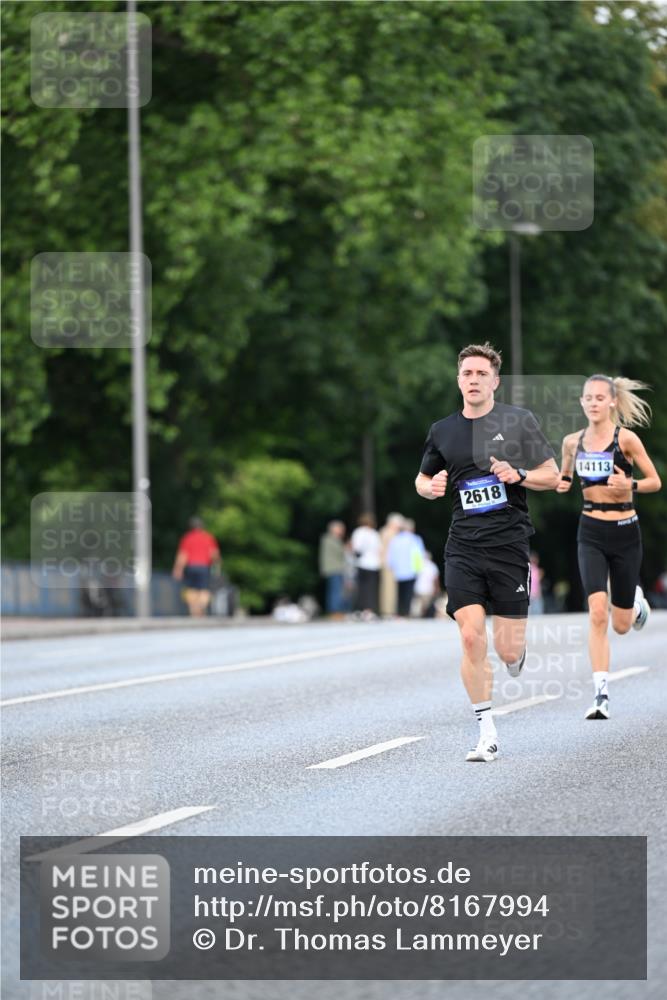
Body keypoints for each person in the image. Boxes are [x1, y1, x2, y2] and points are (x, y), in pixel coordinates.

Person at [415, 342, 559, 762]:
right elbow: (421, 481)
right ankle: (486, 731)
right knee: (470, 635)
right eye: (467, 374)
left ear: (495, 381)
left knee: (509, 650)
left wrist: (520, 474)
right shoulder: (443, 430)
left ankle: (516, 655)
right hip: (462, 545)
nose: (473, 380)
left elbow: (552, 476)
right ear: (458, 380)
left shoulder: (519, 422)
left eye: (481, 374)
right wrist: (431, 488)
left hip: (509, 545)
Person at [557, 375, 661, 720]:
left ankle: (633, 601)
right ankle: (601, 694)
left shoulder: (626, 439)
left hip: (625, 531)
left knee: (620, 625)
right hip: (590, 530)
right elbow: (566, 478)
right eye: (588, 398)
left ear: (613, 402)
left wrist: (628, 482)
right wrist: (558, 482)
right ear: (582, 402)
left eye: (600, 397)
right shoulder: (572, 442)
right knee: (597, 613)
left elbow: (654, 481)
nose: (593, 403)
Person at [172, 516, 221, 617]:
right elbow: (214, 554)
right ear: (202, 526)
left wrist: (178, 569)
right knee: (204, 589)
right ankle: (202, 605)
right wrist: (217, 565)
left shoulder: (187, 538)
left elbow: (183, 555)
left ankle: (194, 610)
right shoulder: (208, 537)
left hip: (191, 567)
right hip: (204, 567)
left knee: (191, 589)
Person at [387, 518, 425, 617]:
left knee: (400, 593)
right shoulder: (415, 539)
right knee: (408, 593)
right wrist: (418, 569)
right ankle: (406, 612)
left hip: (399, 570)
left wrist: (391, 565)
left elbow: (391, 554)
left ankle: (399, 612)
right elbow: (418, 555)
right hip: (411, 570)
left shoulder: (396, 539)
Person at [350, 513, 382, 617]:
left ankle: (359, 609)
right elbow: (379, 549)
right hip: (373, 564)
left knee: (361, 588)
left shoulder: (358, 532)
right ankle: (369, 610)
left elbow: (356, 548)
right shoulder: (374, 534)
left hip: (362, 563)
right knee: (371, 588)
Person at [318, 520, 347, 617]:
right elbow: (339, 552)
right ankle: (335, 611)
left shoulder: (328, 539)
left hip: (334, 568)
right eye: (340, 529)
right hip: (334, 568)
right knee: (336, 591)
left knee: (335, 591)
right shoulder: (331, 539)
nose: (342, 531)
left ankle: (335, 610)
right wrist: (346, 547)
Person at [379, 513, 404, 616]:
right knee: (388, 589)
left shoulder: (388, 532)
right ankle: (388, 611)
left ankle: (390, 610)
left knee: (391, 589)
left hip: (392, 564)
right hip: (388, 563)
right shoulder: (388, 532)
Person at [414, 551, 441, 618]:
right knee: (426, 605)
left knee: (420, 605)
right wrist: (437, 588)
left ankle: (421, 616)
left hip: (418, 589)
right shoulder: (432, 566)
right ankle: (424, 616)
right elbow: (435, 579)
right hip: (428, 589)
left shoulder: (417, 565)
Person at [528, 551, 545, 615]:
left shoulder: (538, 570)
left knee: (537, 611)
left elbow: (538, 583)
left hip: (536, 594)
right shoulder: (529, 569)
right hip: (531, 594)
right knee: (533, 611)